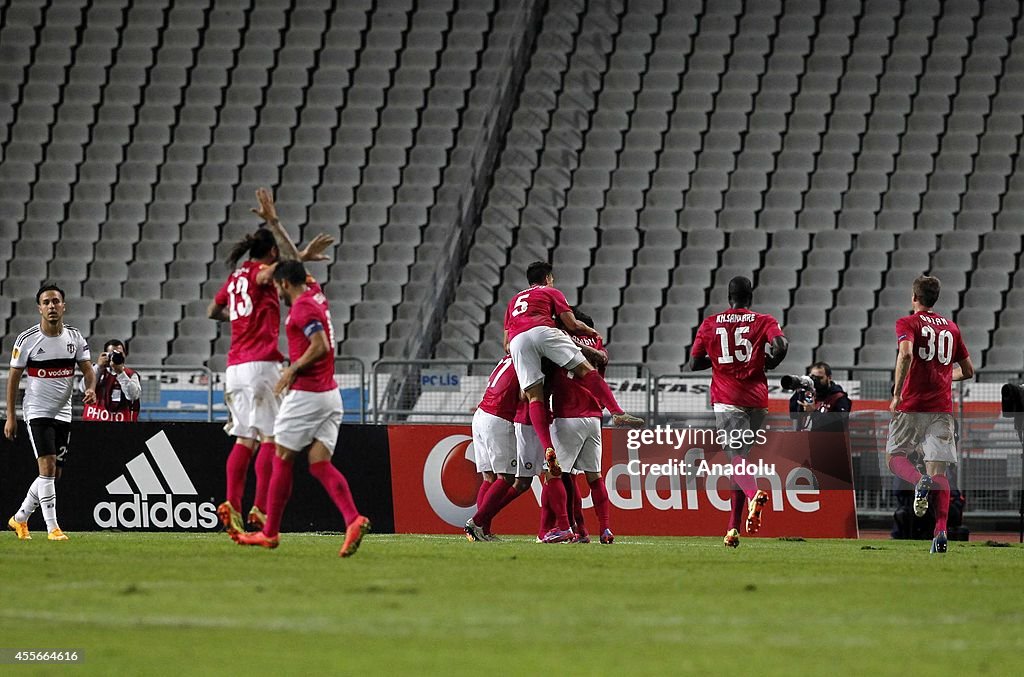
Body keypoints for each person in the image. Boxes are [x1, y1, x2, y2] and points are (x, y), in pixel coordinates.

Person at [209, 188, 334, 537]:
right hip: (262, 364)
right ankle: (260, 509)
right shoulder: (260, 274)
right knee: (270, 437)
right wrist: (282, 231)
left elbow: (211, 311)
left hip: (233, 367)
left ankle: (231, 504)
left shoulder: (234, 279)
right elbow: (291, 270)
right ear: (271, 256)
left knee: (243, 438)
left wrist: (235, 317)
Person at [235, 260, 370, 557]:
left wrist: (291, 369)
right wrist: (274, 224)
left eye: (277, 286)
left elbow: (319, 344)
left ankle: (269, 534)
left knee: (281, 457)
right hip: (330, 396)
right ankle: (353, 519)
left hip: (307, 395)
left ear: (284, 284)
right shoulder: (316, 295)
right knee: (319, 462)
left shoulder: (302, 308)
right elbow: (292, 263)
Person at [503, 261, 643, 478]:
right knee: (585, 370)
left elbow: (505, 345)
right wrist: (590, 331)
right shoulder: (551, 292)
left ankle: (548, 446)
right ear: (548, 278)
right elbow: (572, 324)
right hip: (543, 331)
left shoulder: (513, 301)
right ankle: (617, 412)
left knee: (534, 397)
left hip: (517, 340)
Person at [689, 276, 789, 548]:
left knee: (736, 460)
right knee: (741, 461)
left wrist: (721, 359)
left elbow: (694, 362)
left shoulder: (711, 323)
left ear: (729, 297)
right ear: (750, 297)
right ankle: (732, 529)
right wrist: (769, 362)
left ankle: (755, 492)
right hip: (757, 401)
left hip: (727, 399)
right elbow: (781, 346)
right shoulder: (764, 320)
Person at [886, 275, 974, 554]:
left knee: (895, 457)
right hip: (941, 408)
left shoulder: (907, 323)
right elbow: (968, 370)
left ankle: (917, 480)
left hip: (912, 405)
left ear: (914, 297)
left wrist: (897, 394)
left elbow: (906, 354)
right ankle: (941, 533)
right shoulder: (951, 327)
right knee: (940, 472)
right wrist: (946, 379)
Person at [6, 284, 97, 541]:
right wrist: (12, 416)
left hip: (63, 412)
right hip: (37, 410)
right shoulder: (27, 340)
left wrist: (91, 388)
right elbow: (13, 379)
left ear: (63, 305)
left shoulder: (75, 338)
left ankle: (20, 518)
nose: (51, 306)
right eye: (46, 302)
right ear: (39, 308)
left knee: (54, 473)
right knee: (46, 467)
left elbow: (89, 371)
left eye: (55, 301)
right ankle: (52, 528)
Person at [464, 354, 526, 541]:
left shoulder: (507, 358)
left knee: (488, 477)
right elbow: (523, 394)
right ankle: (476, 523)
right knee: (506, 477)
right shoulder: (526, 361)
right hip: (498, 417)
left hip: (481, 414)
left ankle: (483, 531)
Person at [83, 339, 141, 422]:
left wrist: (120, 373)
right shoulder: (96, 370)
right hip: (94, 421)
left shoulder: (131, 374)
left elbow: (133, 396)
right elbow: (83, 388)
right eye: (112, 354)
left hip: (121, 425)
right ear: (105, 355)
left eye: (119, 354)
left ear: (124, 355)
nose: (115, 357)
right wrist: (98, 367)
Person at [788, 361, 852, 432]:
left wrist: (814, 412)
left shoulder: (839, 397)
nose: (816, 381)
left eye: (820, 378)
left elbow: (840, 424)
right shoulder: (807, 394)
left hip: (829, 440)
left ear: (829, 378)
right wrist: (798, 392)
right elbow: (794, 415)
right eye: (813, 378)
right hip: (807, 439)